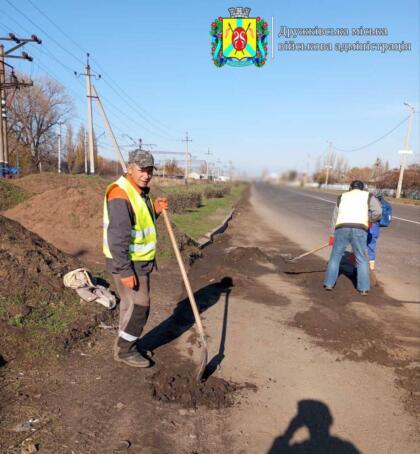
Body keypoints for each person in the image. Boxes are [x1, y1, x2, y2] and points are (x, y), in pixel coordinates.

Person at [103, 150, 168, 367]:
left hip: (138, 261)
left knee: (130, 306)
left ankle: (126, 345)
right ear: (129, 168)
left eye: (150, 170)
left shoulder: (137, 191)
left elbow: (139, 222)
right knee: (141, 305)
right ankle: (125, 350)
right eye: (142, 169)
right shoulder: (120, 194)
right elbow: (118, 237)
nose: (146, 175)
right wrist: (125, 271)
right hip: (128, 263)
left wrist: (155, 211)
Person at [323, 180, 382, 295]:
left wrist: (332, 235)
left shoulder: (342, 197)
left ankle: (329, 284)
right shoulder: (368, 196)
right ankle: (363, 288)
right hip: (359, 228)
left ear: (350, 188)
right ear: (363, 188)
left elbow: (335, 217)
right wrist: (369, 219)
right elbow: (378, 212)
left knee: (335, 257)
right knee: (361, 258)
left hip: (341, 228)